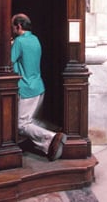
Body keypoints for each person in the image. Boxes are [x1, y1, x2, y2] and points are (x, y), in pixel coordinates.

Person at [11, 13, 66, 161]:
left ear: (19, 26)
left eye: (13, 27)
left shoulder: (19, 42)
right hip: (38, 87)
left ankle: (52, 137)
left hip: (26, 88)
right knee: (32, 120)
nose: (12, 30)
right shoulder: (35, 39)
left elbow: (8, 62)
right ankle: (54, 129)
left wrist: (10, 46)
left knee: (21, 125)